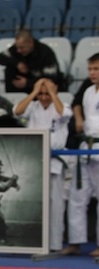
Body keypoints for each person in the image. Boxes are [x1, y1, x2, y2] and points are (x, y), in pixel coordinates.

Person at [13, 78, 72, 252]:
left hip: (55, 160)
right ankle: (33, 240)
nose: (44, 97)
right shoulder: (32, 106)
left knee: (56, 203)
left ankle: (54, 244)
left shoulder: (62, 105)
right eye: (41, 93)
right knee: (33, 201)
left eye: (47, 93)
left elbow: (64, 114)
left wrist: (53, 93)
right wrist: (33, 93)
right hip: (35, 159)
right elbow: (17, 111)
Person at [61, 53, 99, 257]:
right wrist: (78, 119)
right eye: (90, 69)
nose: (92, 73)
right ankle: (75, 242)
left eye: (96, 69)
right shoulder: (88, 92)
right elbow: (79, 110)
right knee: (77, 196)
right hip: (85, 147)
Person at [0, 29, 60, 94]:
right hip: (18, 88)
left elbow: (50, 78)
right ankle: (11, 95)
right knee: (9, 68)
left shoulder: (45, 52)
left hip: (40, 91)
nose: (18, 51)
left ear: (31, 43)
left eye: (22, 48)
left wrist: (28, 83)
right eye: (17, 47)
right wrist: (17, 64)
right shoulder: (17, 49)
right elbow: (1, 58)